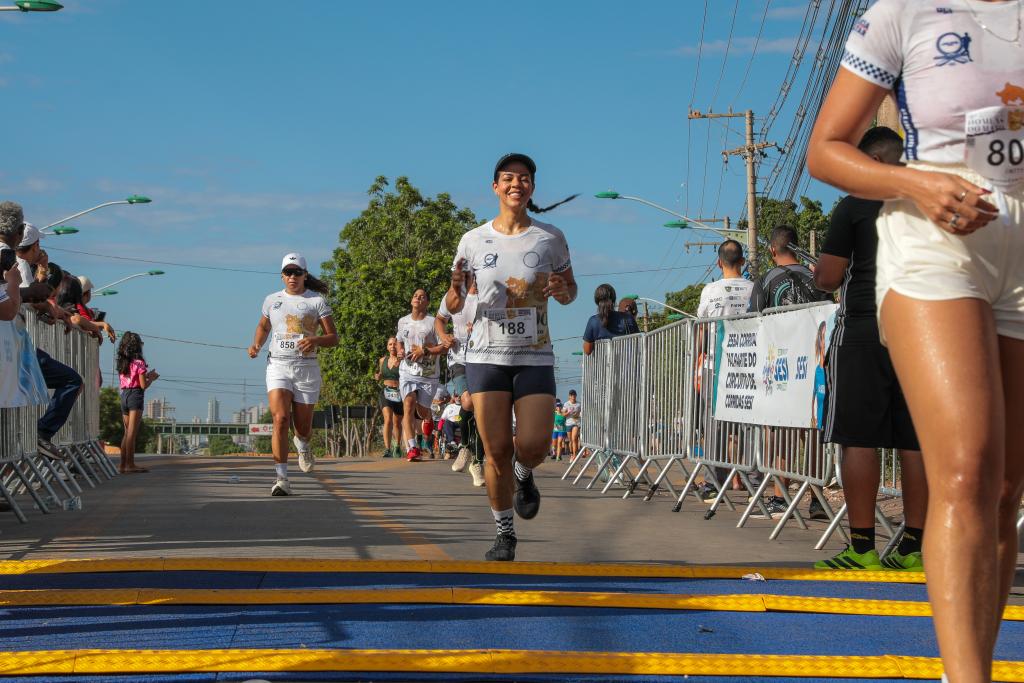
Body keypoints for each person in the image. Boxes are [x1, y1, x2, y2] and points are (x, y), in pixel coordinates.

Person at [807, 1, 1023, 678]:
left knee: (1006, 488)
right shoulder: (901, 12)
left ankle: (968, 665)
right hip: (933, 241)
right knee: (966, 467)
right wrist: (914, 183)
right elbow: (825, 148)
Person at [446, 152, 576, 560]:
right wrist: (453, 289)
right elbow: (452, 303)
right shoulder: (472, 239)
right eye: (508, 178)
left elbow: (571, 291)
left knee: (534, 446)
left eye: (524, 178)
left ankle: (525, 474)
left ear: (532, 188)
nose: (516, 184)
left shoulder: (550, 237)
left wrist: (561, 290)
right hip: (485, 356)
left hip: (534, 355)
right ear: (496, 188)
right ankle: (505, 533)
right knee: (496, 449)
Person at [813, 126, 928, 572]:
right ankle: (914, 546)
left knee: (857, 437)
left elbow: (827, 277)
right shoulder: (925, 203)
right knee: (914, 440)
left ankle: (862, 547)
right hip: (922, 331)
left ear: (874, 161)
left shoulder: (856, 205)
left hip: (865, 327)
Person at [748, 226, 830, 517]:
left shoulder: (766, 280)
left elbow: (753, 322)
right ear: (796, 246)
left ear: (772, 251)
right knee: (815, 433)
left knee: (781, 432)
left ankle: (780, 497)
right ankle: (817, 499)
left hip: (780, 367)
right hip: (815, 365)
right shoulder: (816, 276)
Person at [248, 253, 337, 496]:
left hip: (306, 368)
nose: (292, 277)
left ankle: (304, 444)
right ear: (282, 276)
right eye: (288, 272)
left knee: (302, 427)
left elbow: (333, 337)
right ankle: (281, 479)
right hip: (278, 365)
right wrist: (256, 344)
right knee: (280, 419)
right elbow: (263, 326)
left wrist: (315, 340)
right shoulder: (272, 300)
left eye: (297, 272)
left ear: (305, 275)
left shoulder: (316, 301)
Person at [0, 210, 81, 460]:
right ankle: (40, 433)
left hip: (14, 346)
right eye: (39, 245)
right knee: (71, 380)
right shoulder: (13, 261)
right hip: (11, 347)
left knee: (9, 417)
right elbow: (17, 302)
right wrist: (40, 290)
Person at [694, 239, 755, 501]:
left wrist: (697, 359)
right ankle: (756, 482)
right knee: (748, 426)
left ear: (719, 262)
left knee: (714, 425)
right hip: (748, 366)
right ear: (742, 261)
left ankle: (712, 484)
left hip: (714, 366)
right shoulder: (754, 289)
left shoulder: (710, 291)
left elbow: (701, 328)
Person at [436, 275, 486, 485]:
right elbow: (439, 320)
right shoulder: (453, 297)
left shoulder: (487, 296)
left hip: (484, 357)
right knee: (467, 402)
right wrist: (444, 337)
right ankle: (464, 446)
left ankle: (477, 462)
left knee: (482, 410)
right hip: (459, 360)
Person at [395, 289, 444, 461]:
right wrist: (400, 351)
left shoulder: (433, 322)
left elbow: (443, 347)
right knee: (408, 405)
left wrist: (425, 351)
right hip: (407, 371)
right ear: (411, 300)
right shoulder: (403, 321)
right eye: (415, 295)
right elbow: (399, 340)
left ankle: (428, 416)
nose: (418, 298)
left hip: (428, 374)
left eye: (422, 296)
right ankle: (412, 447)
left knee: (422, 412)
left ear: (427, 303)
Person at [116, 332, 158, 473]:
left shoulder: (122, 362)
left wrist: (145, 376)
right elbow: (142, 385)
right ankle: (130, 465)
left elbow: (130, 378)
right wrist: (151, 378)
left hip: (124, 395)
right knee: (132, 434)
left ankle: (122, 465)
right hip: (135, 396)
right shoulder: (139, 363)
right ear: (138, 346)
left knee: (126, 432)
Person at [582, 283, 640, 355]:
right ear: (614, 300)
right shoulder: (628, 318)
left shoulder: (593, 321)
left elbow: (587, 351)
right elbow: (638, 342)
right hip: (626, 364)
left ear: (596, 301)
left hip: (602, 364)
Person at [374, 337, 404, 458]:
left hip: (399, 392)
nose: (392, 346)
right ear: (387, 347)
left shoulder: (403, 360)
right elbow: (380, 374)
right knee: (388, 419)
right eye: (390, 344)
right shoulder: (382, 360)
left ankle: (397, 446)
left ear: (398, 346)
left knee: (397, 422)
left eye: (394, 344)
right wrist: (378, 376)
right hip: (386, 391)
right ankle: (387, 449)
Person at [563, 389, 581, 460]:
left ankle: (574, 455)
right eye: (571, 395)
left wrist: (577, 414)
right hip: (568, 423)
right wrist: (568, 412)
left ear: (576, 396)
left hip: (576, 423)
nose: (573, 396)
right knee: (571, 440)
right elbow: (563, 415)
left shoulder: (579, 404)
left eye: (574, 395)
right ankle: (571, 454)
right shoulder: (566, 404)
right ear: (569, 396)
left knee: (574, 439)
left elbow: (580, 413)